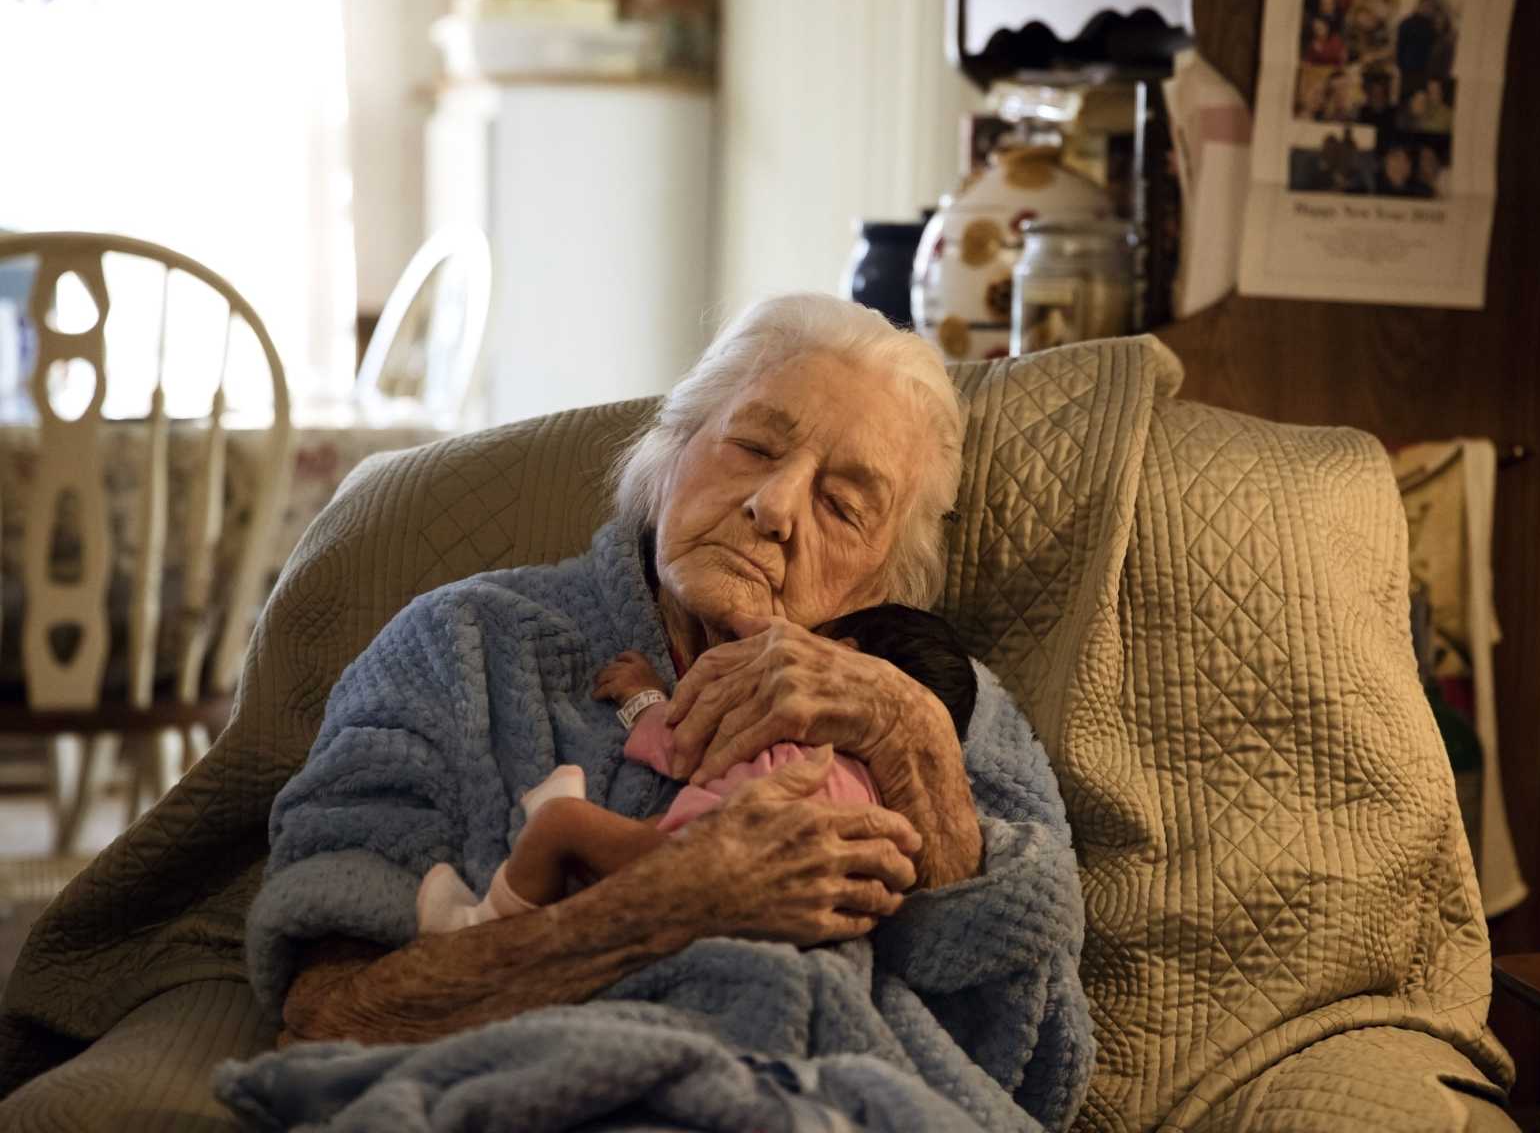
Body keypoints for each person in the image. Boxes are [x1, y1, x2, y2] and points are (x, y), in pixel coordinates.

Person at [246, 292, 1092, 1128]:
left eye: (842, 506)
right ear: (670, 450)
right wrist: (673, 897)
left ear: (883, 581)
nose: (776, 507)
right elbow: (330, 1017)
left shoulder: (939, 704)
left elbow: (1030, 1055)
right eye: (755, 444)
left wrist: (908, 738)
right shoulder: (465, 642)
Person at [414, 604, 977, 932]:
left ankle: (474, 928)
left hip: (712, 865)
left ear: (840, 655)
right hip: (810, 909)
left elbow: (684, 746)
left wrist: (645, 697)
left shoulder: (792, 719)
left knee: (561, 825)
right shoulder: (890, 784)